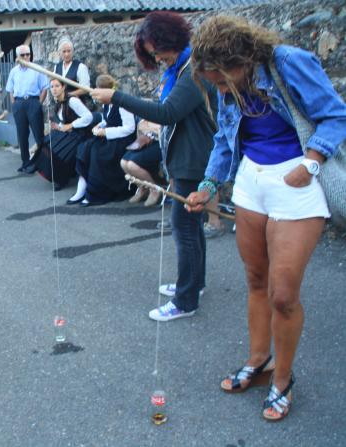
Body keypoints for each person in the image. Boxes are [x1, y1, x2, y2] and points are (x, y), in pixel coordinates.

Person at [186, 16, 346, 421]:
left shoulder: (288, 62)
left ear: (241, 61)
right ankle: (259, 362)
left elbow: (336, 115)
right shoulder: (227, 81)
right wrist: (208, 184)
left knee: (283, 295)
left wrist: (312, 161)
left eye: (223, 82)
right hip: (250, 181)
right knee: (256, 280)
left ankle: (283, 379)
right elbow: (225, 138)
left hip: (297, 179)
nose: (222, 91)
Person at [91, 11, 217, 322]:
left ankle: (185, 300)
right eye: (153, 54)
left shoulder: (193, 72)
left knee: (184, 229)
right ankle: (194, 283)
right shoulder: (182, 70)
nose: (158, 59)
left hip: (192, 162)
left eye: (158, 51)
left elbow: (167, 113)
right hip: (186, 159)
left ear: (171, 40)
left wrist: (116, 96)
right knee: (192, 228)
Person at [70, 74, 136, 207]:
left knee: (97, 153)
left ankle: (94, 193)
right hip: (109, 137)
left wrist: (106, 132)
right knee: (85, 148)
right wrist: (99, 126)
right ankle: (81, 188)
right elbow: (107, 120)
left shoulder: (121, 104)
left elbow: (129, 128)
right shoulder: (106, 103)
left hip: (121, 140)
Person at [31, 78, 93, 190]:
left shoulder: (72, 100)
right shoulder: (58, 102)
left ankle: (61, 179)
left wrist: (70, 126)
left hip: (80, 134)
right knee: (45, 142)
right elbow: (64, 120)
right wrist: (58, 126)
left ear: (63, 87)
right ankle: (37, 166)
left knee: (59, 150)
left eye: (57, 86)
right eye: (52, 87)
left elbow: (88, 117)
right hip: (69, 132)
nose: (54, 89)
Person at [5, 44, 49, 174]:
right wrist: (14, 103)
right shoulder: (14, 71)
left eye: (28, 54)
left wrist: (38, 103)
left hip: (33, 101)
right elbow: (10, 89)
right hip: (19, 103)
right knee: (22, 135)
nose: (26, 57)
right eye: (22, 55)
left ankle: (40, 162)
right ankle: (25, 162)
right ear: (17, 57)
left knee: (38, 134)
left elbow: (45, 87)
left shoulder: (37, 69)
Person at [120, 119, 163, 206]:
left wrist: (151, 127)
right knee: (123, 162)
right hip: (144, 139)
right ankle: (142, 187)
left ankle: (154, 189)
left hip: (160, 143)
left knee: (132, 165)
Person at [54, 39, 91, 103]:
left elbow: (86, 89)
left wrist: (68, 95)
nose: (66, 54)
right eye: (64, 51)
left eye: (69, 51)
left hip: (77, 103)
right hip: (61, 104)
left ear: (73, 52)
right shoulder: (57, 67)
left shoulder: (80, 67)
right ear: (59, 53)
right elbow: (54, 84)